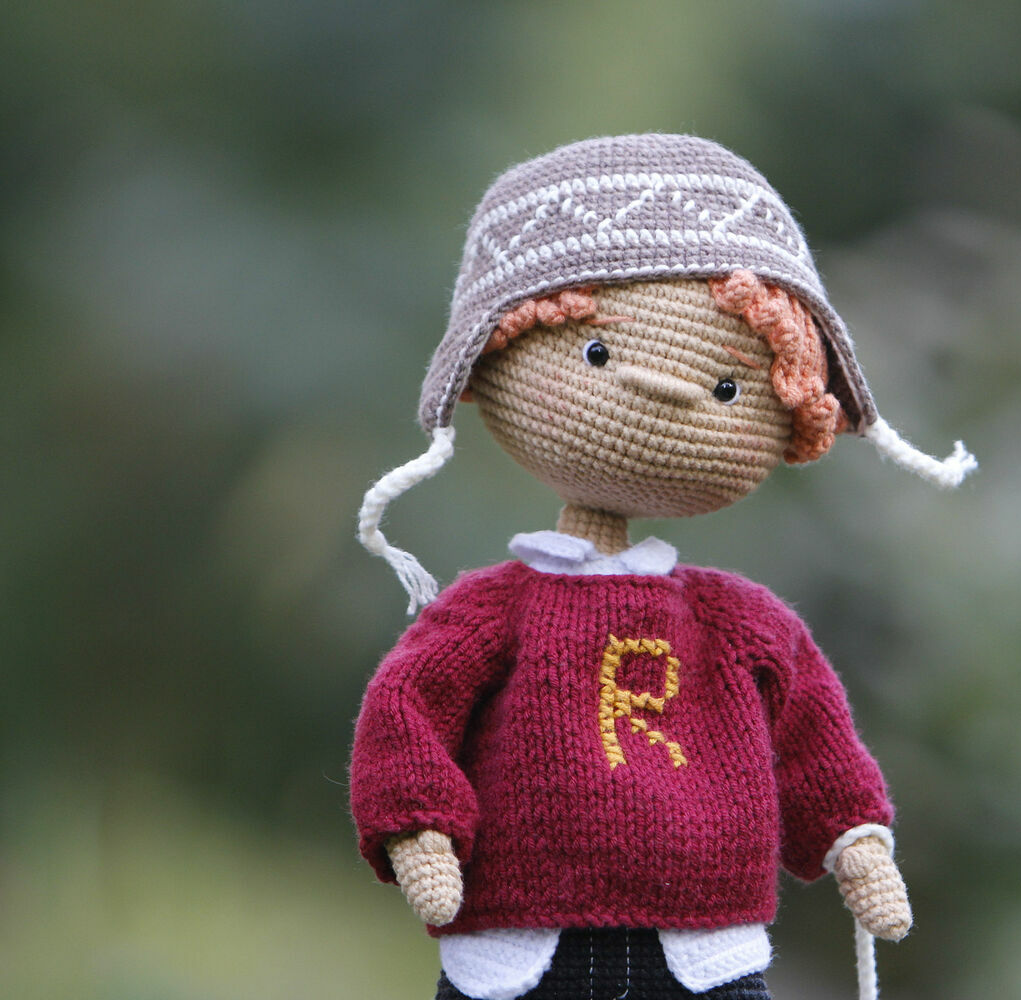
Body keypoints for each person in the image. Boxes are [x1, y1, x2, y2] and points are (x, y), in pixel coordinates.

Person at [350, 134, 976, 1000]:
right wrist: (418, 823)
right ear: (497, 354)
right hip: (519, 948)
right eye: (597, 354)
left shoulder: (741, 623)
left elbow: (813, 734)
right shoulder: (489, 614)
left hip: (707, 952)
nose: (669, 393)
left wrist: (854, 836)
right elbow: (409, 706)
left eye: (726, 387)